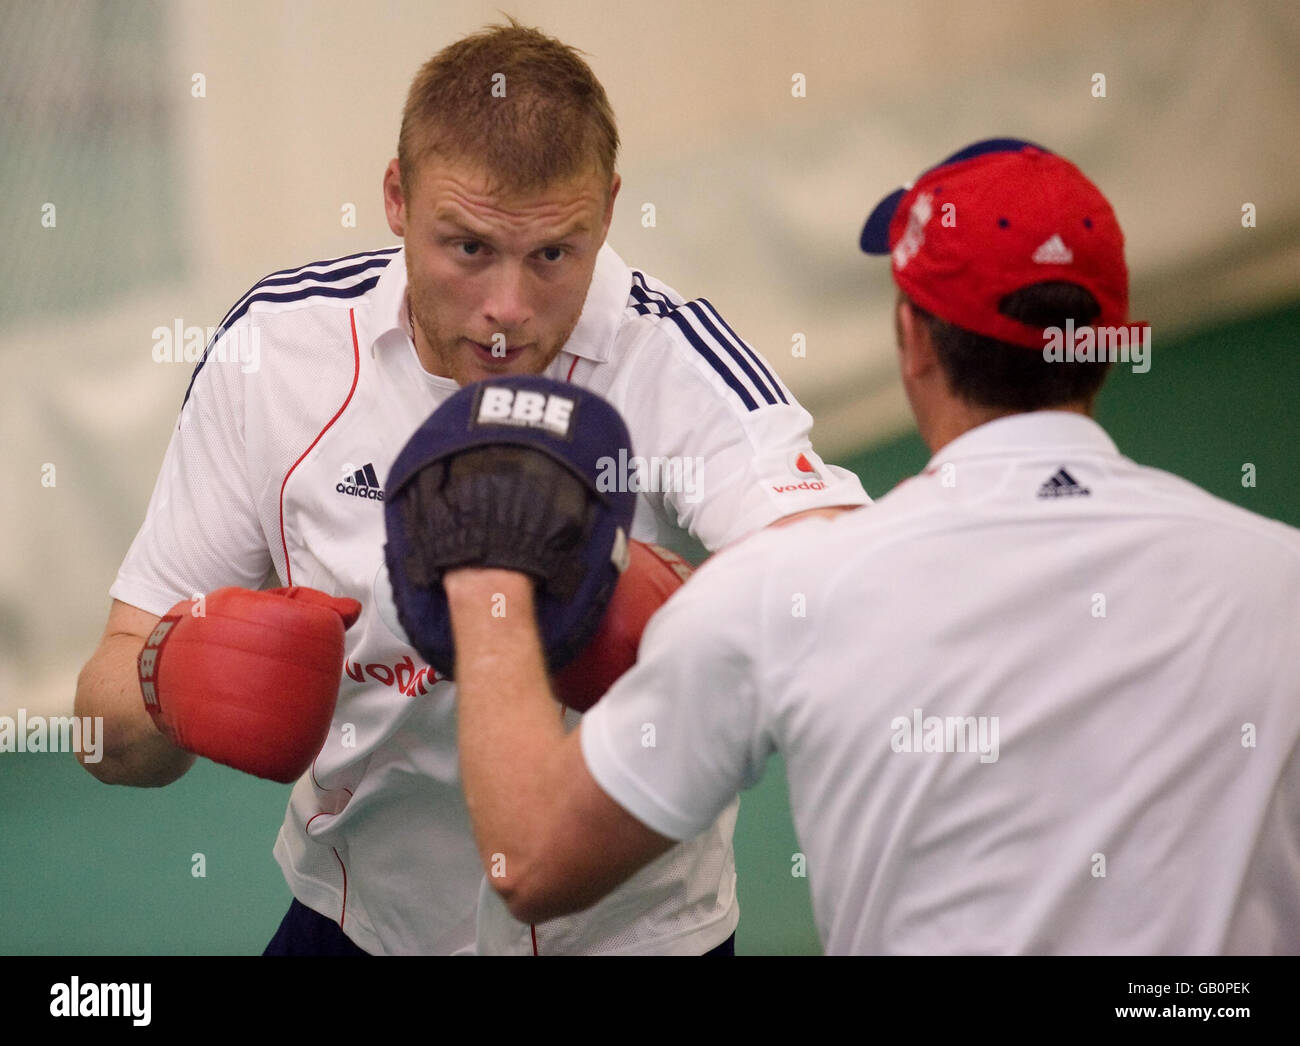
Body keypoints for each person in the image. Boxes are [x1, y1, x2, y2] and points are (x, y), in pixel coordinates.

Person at [71, 19, 868, 956]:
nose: (508, 309)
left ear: (607, 212)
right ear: (397, 199)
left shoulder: (672, 361)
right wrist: (171, 678)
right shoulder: (276, 357)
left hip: (640, 939)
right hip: (354, 925)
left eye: (552, 255)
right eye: (469, 248)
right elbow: (99, 728)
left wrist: (681, 619)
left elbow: (844, 595)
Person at [445, 139, 1300, 954]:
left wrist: (490, 567)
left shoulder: (784, 593)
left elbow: (527, 861)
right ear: (1111, 341)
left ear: (913, 339)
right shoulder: (1282, 577)